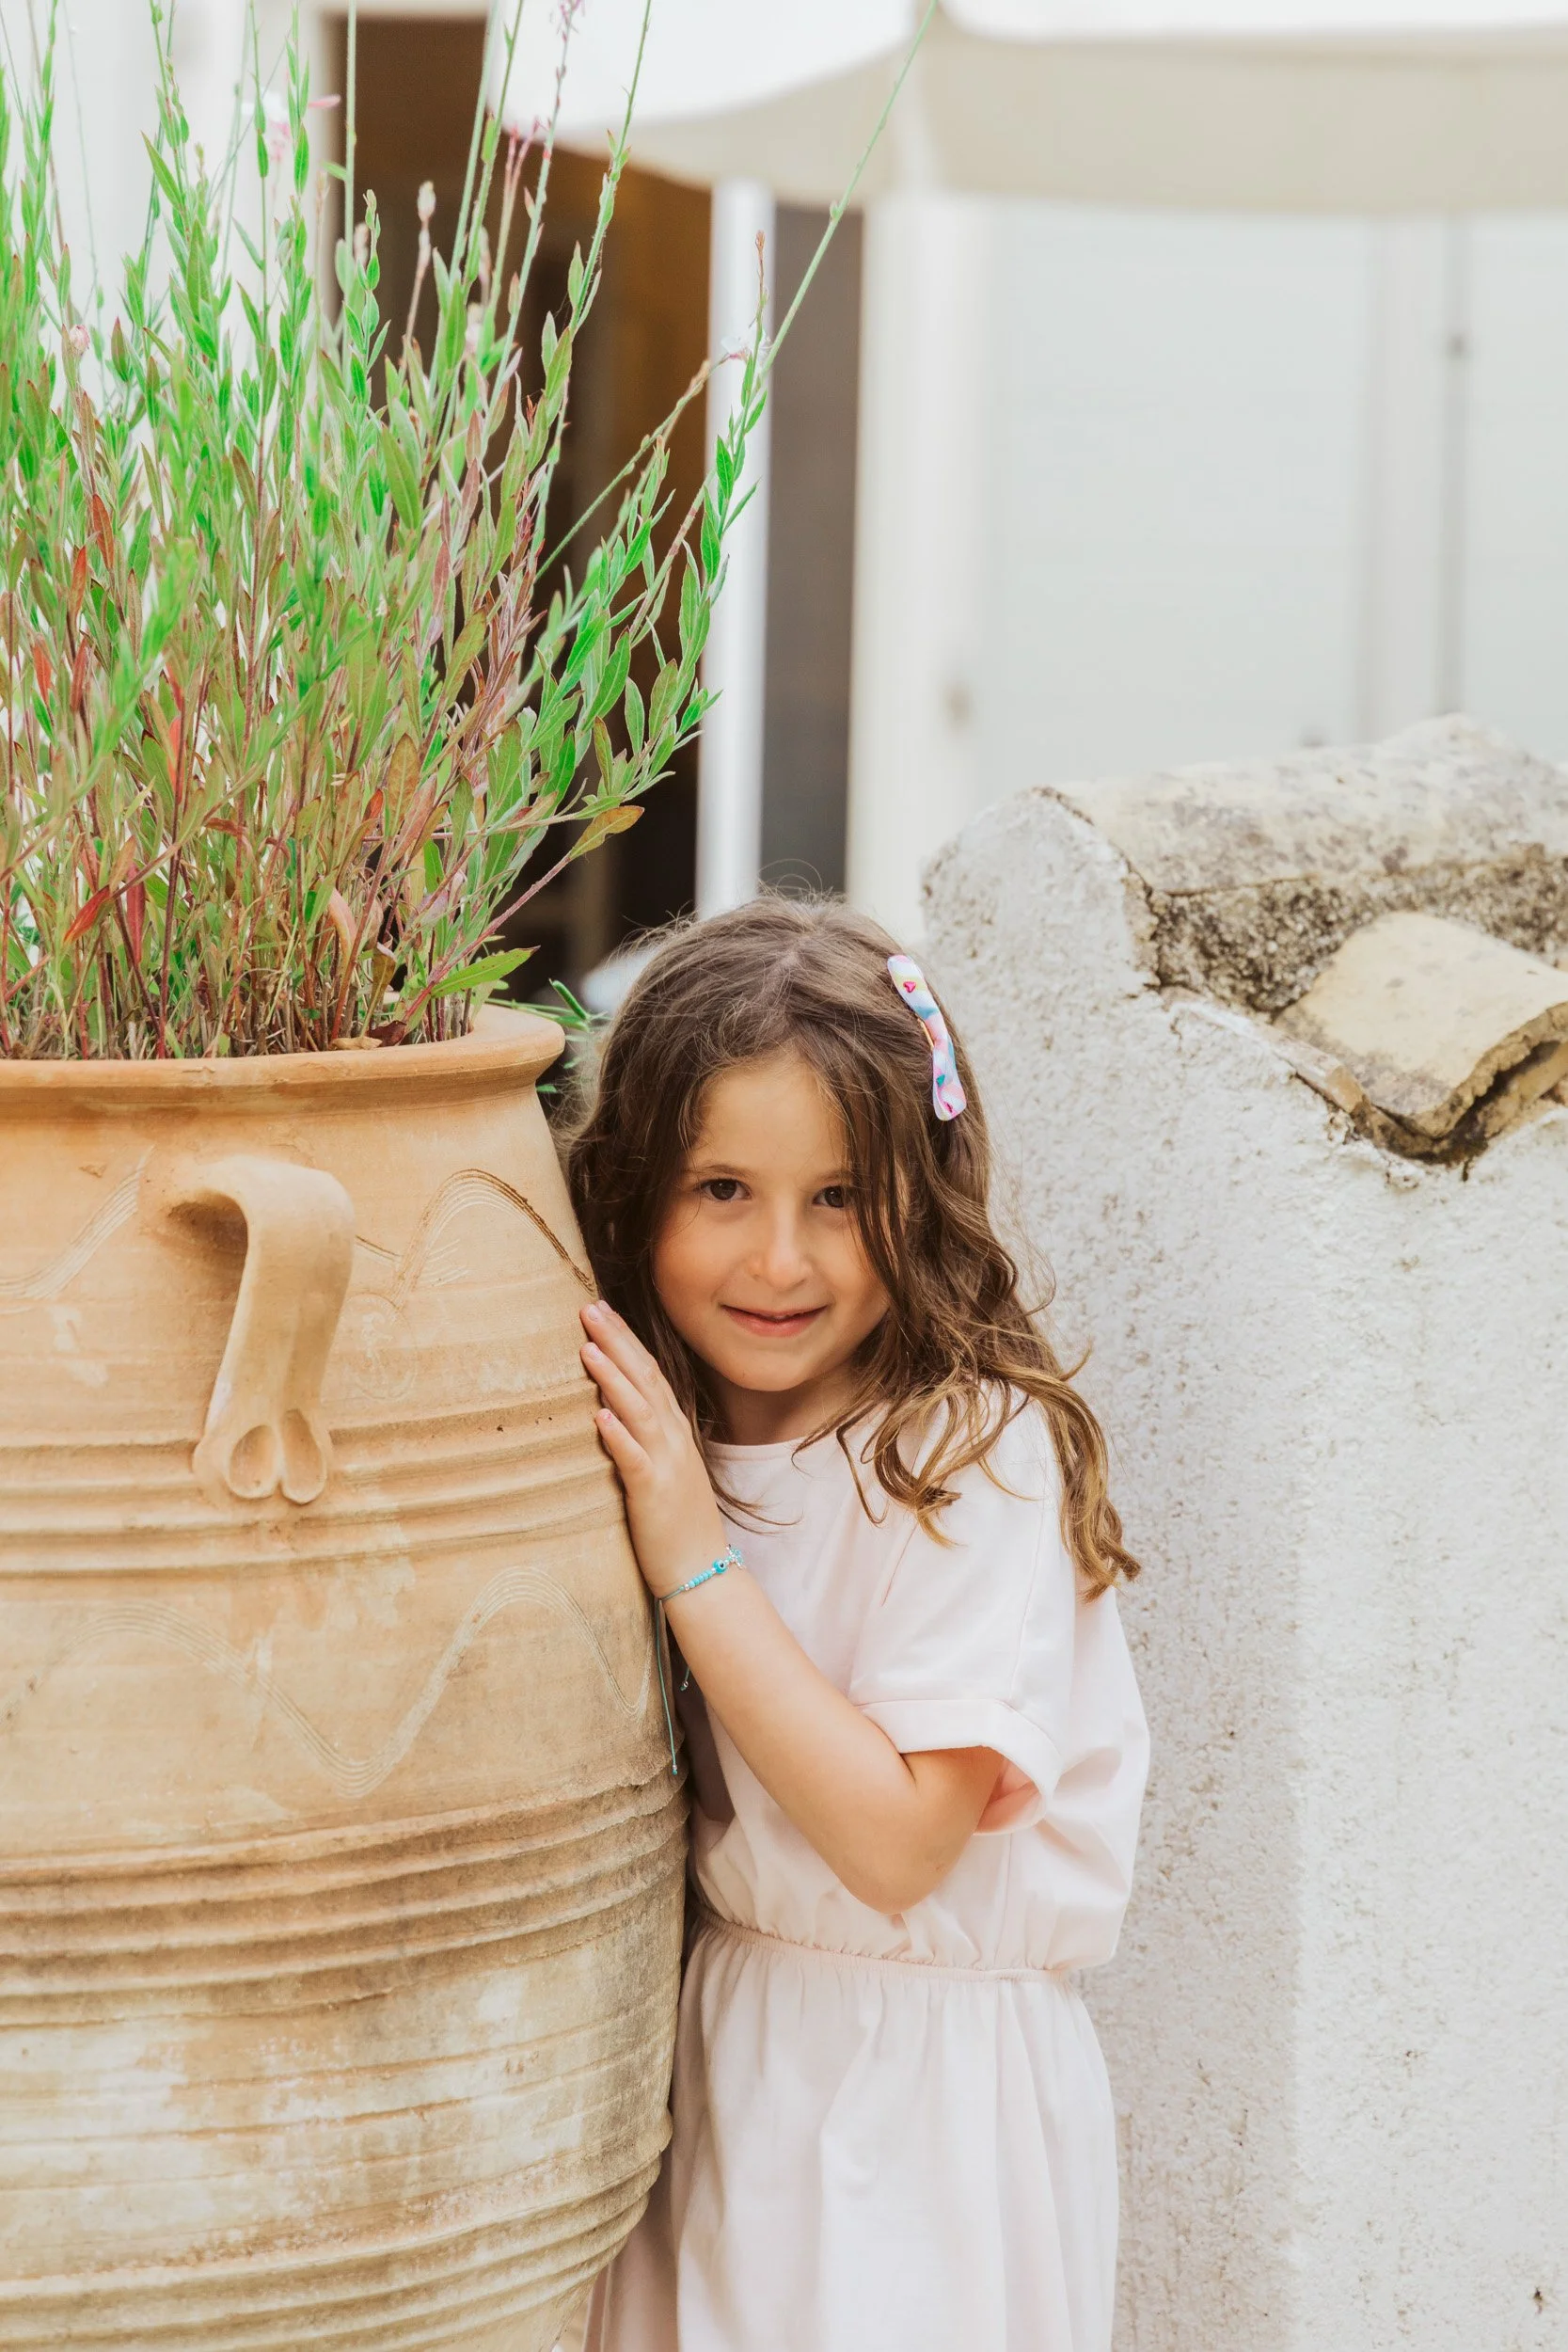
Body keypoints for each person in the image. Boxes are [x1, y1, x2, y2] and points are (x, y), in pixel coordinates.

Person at [566, 898, 1148, 2352]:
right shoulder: (659, 1433)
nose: (780, 1262)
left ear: (920, 1191)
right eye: (720, 1190)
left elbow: (897, 1845)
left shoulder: (967, 1453)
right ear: (637, 1186)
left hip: (922, 2116)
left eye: (838, 1198)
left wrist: (695, 1563)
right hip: (721, 2061)